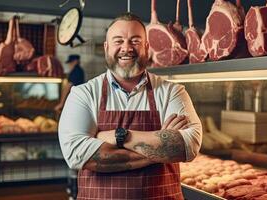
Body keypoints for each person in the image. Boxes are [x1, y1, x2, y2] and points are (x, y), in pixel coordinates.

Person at [58, 12, 202, 199]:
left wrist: (118, 137)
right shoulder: (83, 93)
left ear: (147, 47)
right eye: (118, 41)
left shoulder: (172, 92)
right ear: (106, 47)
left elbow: (187, 146)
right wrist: (160, 148)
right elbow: (77, 154)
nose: (126, 48)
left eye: (135, 41)